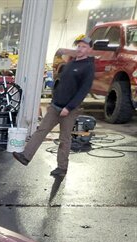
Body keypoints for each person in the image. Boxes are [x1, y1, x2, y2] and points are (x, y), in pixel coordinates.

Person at [12, 36, 95, 177]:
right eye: (79, 46)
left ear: (89, 50)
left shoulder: (88, 67)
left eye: (84, 47)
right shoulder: (71, 63)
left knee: (64, 138)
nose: (80, 49)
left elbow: (83, 91)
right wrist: (54, 100)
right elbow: (61, 83)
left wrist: (69, 108)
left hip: (69, 110)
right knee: (41, 130)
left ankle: (62, 168)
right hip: (55, 106)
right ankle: (25, 156)